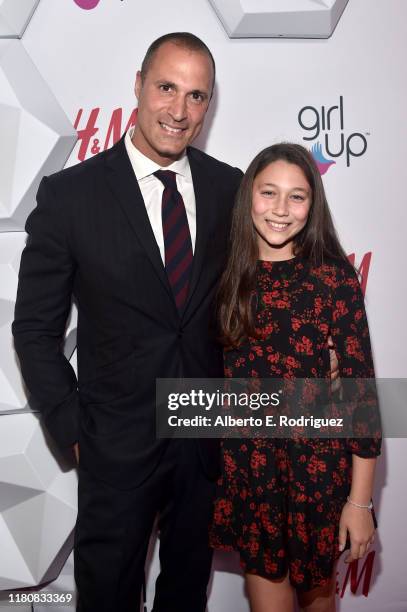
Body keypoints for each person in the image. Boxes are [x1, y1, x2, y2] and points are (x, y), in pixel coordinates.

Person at [12, 32, 243, 612]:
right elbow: (34, 331)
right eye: (167, 88)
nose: (179, 110)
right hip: (114, 448)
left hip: (203, 444)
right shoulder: (70, 196)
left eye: (197, 97)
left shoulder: (230, 189)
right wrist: (76, 431)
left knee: (186, 596)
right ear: (138, 86)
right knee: (109, 596)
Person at [210, 143, 381, 612]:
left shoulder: (334, 280)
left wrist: (360, 503)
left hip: (317, 479)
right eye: (268, 193)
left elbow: (360, 398)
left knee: (319, 604)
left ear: (313, 204)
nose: (281, 210)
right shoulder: (224, 274)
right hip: (251, 477)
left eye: (297, 196)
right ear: (248, 196)